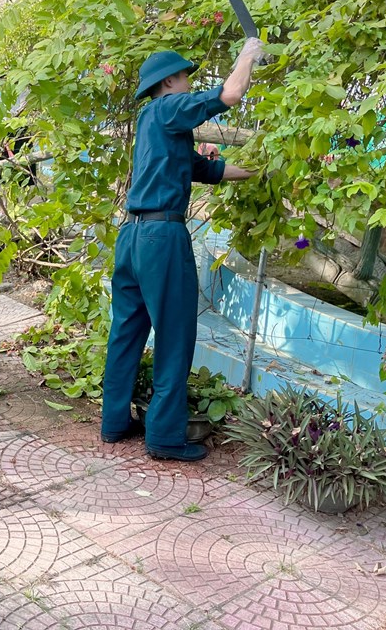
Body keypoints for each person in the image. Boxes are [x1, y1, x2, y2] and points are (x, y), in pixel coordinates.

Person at [100, 39, 263, 461]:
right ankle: (165, 437)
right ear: (170, 81)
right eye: (186, 77)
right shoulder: (167, 108)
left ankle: (114, 422)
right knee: (174, 336)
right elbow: (229, 94)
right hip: (161, 238)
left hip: (131, 236)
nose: (190, 83)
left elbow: (208, 170)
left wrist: (260, 170)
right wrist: (248, 54)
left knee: (126, 333)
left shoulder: (154, 126)